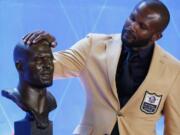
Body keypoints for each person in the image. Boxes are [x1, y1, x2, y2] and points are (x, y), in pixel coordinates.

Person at [23, 0, 180, 134]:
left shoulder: (173, 69)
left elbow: (175, 128)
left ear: (156, 36)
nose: (132, 26)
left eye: (142, 26)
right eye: (132, 18)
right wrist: (40, 46)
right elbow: (46, 69)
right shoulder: (93, 45)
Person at [1, 40, 57, 129]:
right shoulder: (16, 96)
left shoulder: (51, 101)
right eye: (39, 60)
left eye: (50, 59)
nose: (47, 65)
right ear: (20, 66)